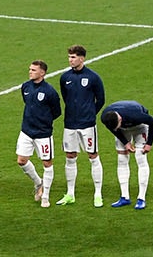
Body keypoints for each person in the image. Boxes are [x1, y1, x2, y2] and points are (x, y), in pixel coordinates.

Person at [58, 44, 106, 206]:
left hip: (87, 124)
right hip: (70, 123)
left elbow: (101, 99)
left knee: (93, 156)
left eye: (73, 57)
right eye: (69, 57)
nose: (70, 60)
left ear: (82, 58)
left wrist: (90, 113)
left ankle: (98, 194)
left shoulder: (93, 77)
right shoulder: (65, 78)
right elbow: (66, 97)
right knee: (70, 157)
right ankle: (70, 193)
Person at [16, 59, 60, 208]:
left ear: (42, 72)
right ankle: (38, 182)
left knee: (47, 164)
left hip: (43, 134)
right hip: (27, 131)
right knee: (21, 161)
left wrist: (43, 121)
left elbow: (57, 112)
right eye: (30, 69)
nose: (30, 72)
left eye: (33, 70)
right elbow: (27, 103)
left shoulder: (49, 91)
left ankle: (45, 196)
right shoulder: (25, 87)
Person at [100, 100, 153, 209]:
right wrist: (125, 142)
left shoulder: (136, 115)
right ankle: (124, 197)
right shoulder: (105, 117)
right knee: (121, 159)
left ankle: (141, 198)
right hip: (123, 129)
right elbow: (114, 129)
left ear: (120, 119)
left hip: (139, 127)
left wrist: (149, 143)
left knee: (140, 157)